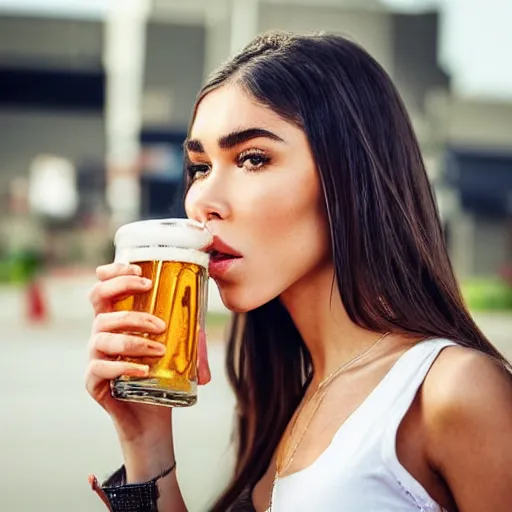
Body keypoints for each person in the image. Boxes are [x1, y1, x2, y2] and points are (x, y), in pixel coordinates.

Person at [86, 31, 512, 512]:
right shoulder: (285, 400)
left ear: (347, 175)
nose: (201, 201)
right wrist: (146, 442)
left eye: (252, 158)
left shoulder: (451, 390)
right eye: (200, 167)